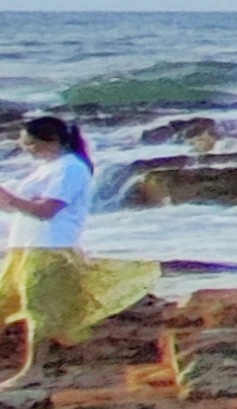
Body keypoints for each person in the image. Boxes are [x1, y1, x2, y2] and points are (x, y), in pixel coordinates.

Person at [0, 116, 158, 389]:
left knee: (41, 310)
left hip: (51, 248)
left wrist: (12, 198)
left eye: (30, 143)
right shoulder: (47, 168)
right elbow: (23, 209)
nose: (26, 148)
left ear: (52, 140)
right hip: (25, 247)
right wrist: (7, 200)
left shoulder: (71, 168)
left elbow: (47, 210)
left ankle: (33, 371)